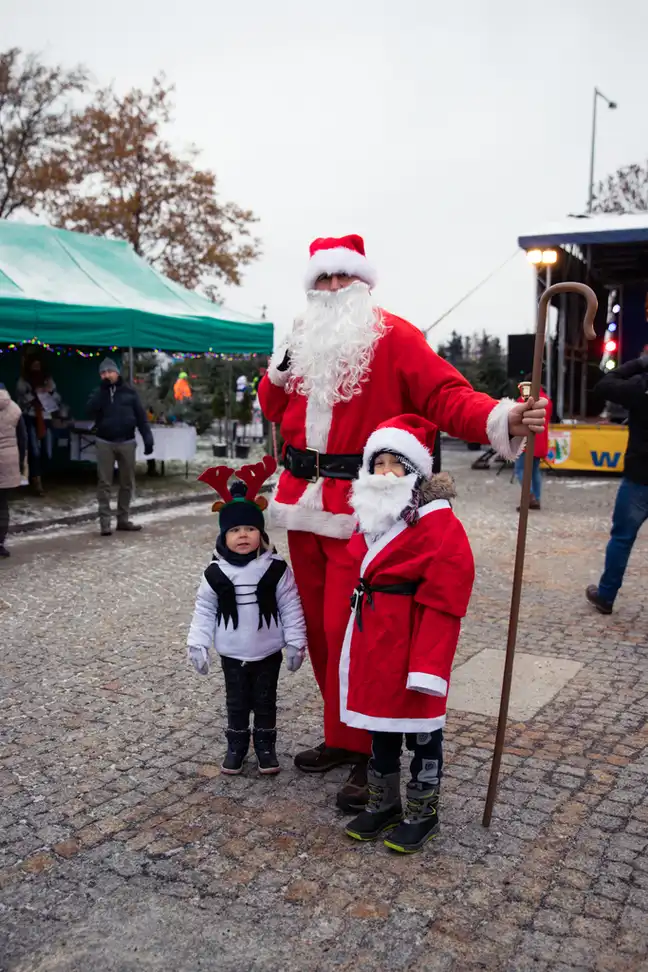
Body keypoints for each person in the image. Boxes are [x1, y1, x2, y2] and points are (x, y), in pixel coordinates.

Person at [258, 233, 547, 811]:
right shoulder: (298, 341)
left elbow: (447, 396)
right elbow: (273, 409)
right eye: (325, 280)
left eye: (344, 278)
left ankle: (374, 751)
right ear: (312, 287)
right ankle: (344, 737)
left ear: (363, 283)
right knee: (319, 631)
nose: (334, 289)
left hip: (368, 508)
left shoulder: (395, 336)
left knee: (360, 634)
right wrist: (278, 376)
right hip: (301, 503)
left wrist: (506, 416)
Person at [339, 415, 473, 852]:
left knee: (420, 730)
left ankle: (423, 811)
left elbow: (447, 595)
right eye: (377, 465)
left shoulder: (437, 523)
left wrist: (429, 665)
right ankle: (384, 802)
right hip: (374, 636)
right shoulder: (372, 518)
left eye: (396, 465)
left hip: (411, 640)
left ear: (414, 472)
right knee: (380, 727)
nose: (385, 474)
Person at [187, 458, 306, 774]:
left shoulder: (276, 570)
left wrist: (296, 642)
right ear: (223, 536)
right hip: (232, 653)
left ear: (261, 533)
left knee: (266, 701)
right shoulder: (215, 574)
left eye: (251, 528)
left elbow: (291, 606)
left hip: (268, 651)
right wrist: (197, 644)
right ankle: (237, 744)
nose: (243, 535)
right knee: (237, 703)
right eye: (235, 530)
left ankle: (266, 746)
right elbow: (204, 610)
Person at [586, 355, 648, 615]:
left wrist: (640, 363)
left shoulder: (641, 385)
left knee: (622, 539)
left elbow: (604, 384)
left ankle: (606, 595)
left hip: (639, 475)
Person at [87, 358, 154, 536]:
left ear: (117, 372)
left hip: (126, 441)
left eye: (109, 371)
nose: (106, 375)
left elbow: (141, 417)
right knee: (104, 483)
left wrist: (148, 438)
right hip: (104, 441)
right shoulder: (99, 393)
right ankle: (105, 523)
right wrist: (101, 392)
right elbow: (89, 410)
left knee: (126, 482)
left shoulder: (130, 393)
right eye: (103, 373)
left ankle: (123, 519)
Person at [15, 354, 61, 496]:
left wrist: (50, 392)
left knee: (48, 451)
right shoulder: (24, 381)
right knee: (34, 451)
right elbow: (18, 401)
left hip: (45, 417)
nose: (36, 367)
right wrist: (33, 396)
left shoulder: (48, 380)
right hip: (30, 417)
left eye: (38, 365)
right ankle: (37, 482)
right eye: (33, 365)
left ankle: (39, 475)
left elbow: (58, 399)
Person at [514, 379, 552, 511]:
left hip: (526, 441)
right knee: (535, 470)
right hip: (540, 441)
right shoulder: (546, 399)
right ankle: (537, 497)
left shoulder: (524, 400)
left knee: (520, 470)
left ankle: (529, 496)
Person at [0, 383, 27, 559]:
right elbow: (22, 438)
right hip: (7, 461)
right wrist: (18, 463)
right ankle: (0, 543)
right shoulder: (15, 408)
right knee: (2, 505)